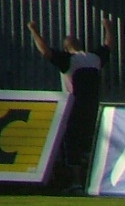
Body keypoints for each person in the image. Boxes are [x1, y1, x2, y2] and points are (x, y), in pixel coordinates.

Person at [26, 16, 113, 191]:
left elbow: (45, 52)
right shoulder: (94, 58)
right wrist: (108, 27)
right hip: (93, 108)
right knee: (89, 145)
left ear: (66, 48)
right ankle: (92, 182)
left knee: (72, 146)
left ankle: (75, 183)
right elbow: (108, 45)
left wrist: (34, 31)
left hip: (73, 108)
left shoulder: (69, 60)